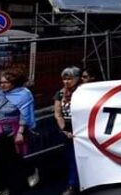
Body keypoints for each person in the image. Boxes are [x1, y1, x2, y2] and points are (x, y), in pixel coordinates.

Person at [0, 70, 37, 195]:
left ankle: (30, 171)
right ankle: (0, 188)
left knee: (12, 161)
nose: (3, 85)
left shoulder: (24, 94)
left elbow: (25, 114)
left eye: (6, 82)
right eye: (1, 82)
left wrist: (20, 132)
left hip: (10, 133)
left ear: (14, 82)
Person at [55, 66, 81, 195]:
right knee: (71, 157)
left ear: (77, 79)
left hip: (82, 128)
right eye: (64, 79)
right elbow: (58, 113)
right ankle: (72, 185)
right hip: (67, 129)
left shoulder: (84, 92)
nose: (66, 82)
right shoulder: (60, 93)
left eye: (69, 79)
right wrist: (64, 129)